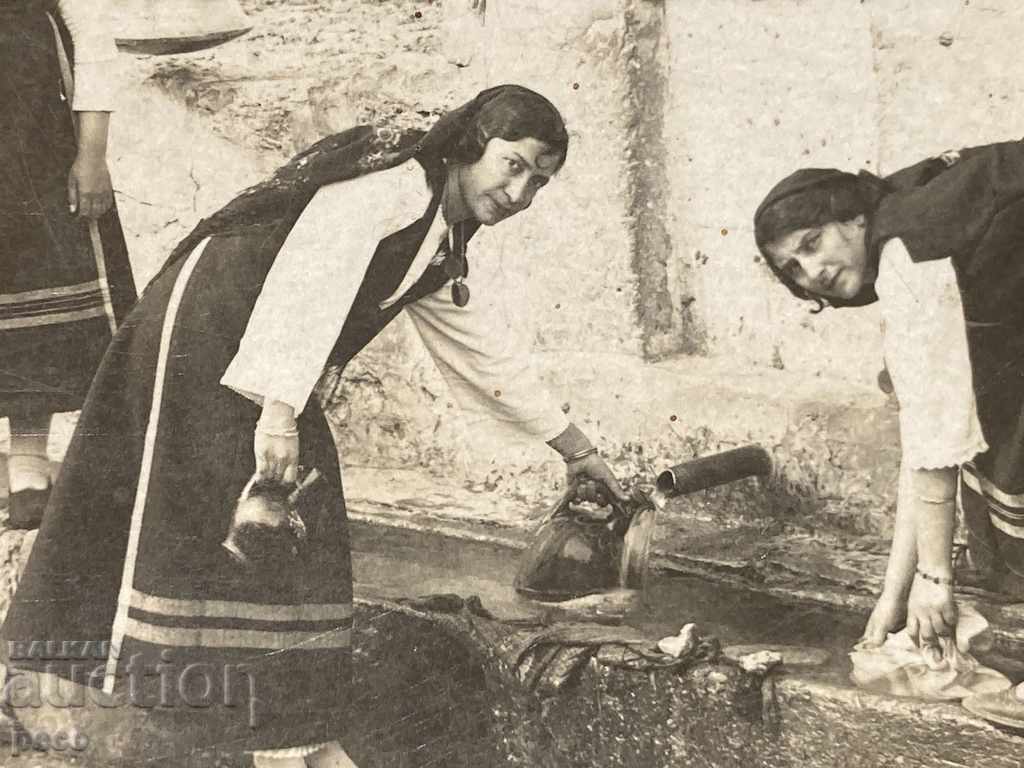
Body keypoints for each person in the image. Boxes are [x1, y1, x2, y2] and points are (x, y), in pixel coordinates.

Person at [1, 85, 628, 767]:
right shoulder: (391, 190)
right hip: (209, 332)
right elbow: (310, 281)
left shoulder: (440, 238)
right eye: (513, 165)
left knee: (285, 530)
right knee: (259, 519)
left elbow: (481, 353)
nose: (520, 193)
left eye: (539, 181)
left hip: (264, 358)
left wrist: (576, 450)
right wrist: (277, 412)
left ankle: (289, 740)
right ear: (470, 146)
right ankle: (283, 744)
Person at [752, 141, 1024, 719]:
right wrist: (893, 598)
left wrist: (936, 579)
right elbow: (923, 441)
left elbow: (935, 433)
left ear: (854, 216)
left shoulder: (908, 250)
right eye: (794, 269)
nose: (814, 272)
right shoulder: (903, 225)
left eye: (812, 243)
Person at [0, 0, 137, 529]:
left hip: (30, 139)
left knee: (38, 291)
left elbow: (93, 34)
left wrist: (93, 155)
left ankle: (29, 469)